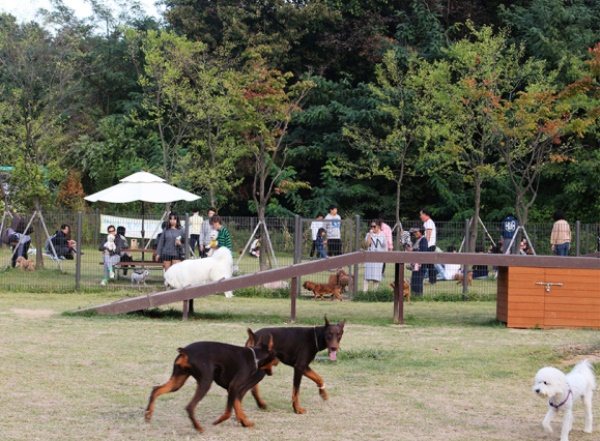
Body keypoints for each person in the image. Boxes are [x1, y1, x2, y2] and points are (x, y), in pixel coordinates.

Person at [363, 219, 387, 291]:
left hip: (378, 258)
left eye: (374, 226)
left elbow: (384, 246)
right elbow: (367, 244)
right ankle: (364, 293)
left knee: (376, 277)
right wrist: (370, 234)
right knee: (367, 276)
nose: (372, 228)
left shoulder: (382, 236)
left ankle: (375, 293)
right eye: (371, 226)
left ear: (378, 226)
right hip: (370, 258)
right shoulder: (368, 234)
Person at [408, 226, 428, 295]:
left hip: (420, 266)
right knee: (414, 281)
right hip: (416, 265)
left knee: (417, 282)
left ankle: (418, 296)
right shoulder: (418, 240)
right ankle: (415, 295)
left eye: (416, 232)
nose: (414, 233)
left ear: (421, 232)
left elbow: (423, 251)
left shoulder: (423, 240)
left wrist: (413, 250)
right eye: (414, 232)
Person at [419, 209, 437, 284]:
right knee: (429, 264)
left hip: (429, 245)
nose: (420, 216)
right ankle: (431, 280)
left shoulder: (429, 223)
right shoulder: (426, 223)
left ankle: (432, 280)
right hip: (429, 245)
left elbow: (428, 236)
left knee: (429, 264)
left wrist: (425, 245)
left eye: (421, 214)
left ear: (425, 214)